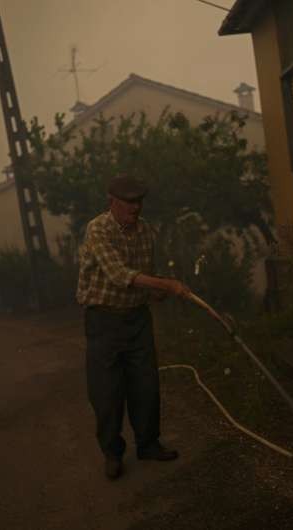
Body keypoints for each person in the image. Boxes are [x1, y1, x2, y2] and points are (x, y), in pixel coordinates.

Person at [77, 175, 190, 481]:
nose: (135, 207)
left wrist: (160, 291)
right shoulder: (98, 229)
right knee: (107, 391)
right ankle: (112, 454)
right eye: (129, 202)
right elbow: (118, 274)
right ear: (112, 202)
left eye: (139, 201)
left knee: (146, 383)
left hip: (137, 318)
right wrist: (165, 283)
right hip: (103, 319)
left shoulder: (146, 232)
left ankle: (149, 444)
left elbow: (143, 279)